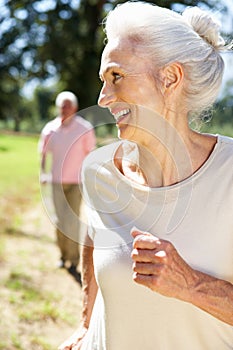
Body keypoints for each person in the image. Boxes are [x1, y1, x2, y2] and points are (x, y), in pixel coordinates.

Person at [59, 2, 233, 349]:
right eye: (103, 80)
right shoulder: (99, 170)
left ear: (170, 78)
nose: (102, 98)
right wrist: (84, 323)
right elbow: (94, 243)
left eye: (116, 77)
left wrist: (191, 284)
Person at [39, 91, 96, 279]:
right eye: (62, 105)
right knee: (59, 220)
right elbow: (43, 154)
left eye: (68, 105)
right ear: (58, 107)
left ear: (75, 107)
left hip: (76, 182)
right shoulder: (50, 128)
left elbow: (90, 154)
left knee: (72, 219)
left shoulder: (84, 128)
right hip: (56, 181)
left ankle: (74, 259)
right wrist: (43, 173)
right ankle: (63, 256)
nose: (65, 109)